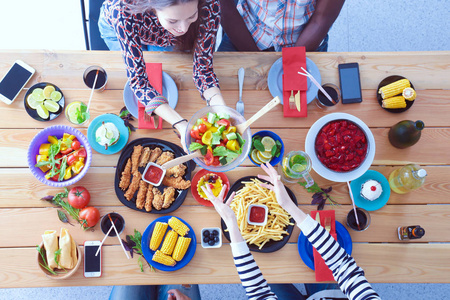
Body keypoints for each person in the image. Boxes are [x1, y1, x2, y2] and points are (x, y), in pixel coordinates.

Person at [201, 163, 381, 300]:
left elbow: (259, 293)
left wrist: (231, 223)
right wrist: (288, 205)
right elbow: (344, 267)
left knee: (272, 280)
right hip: (328, 294)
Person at [98, 0, 226, 149]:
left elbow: (203, 71)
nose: (183, 28)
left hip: (163, 35)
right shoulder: (122, 10)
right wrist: (180, 124)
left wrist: (223, 110)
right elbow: (139, 82)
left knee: (160, 69)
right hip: (122, 25)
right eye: (173, 20)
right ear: (152, 7)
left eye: (192, 16)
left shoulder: (210, 4)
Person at [217, 0, 345, 52]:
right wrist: (256, 58)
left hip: (306, 40)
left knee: (310, 108)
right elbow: (223, 8)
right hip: (246, 33)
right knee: (220, 105)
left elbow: (321, 19)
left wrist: (292, 62)